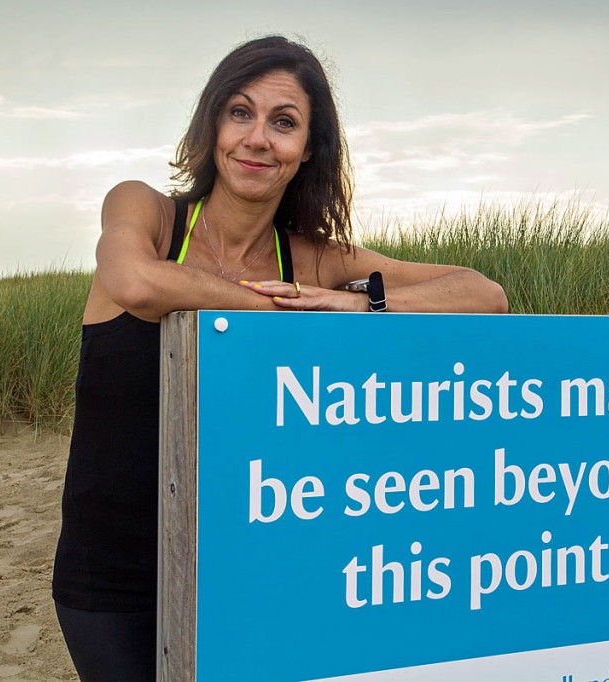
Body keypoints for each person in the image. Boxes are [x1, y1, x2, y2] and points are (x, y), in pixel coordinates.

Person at [51, 35, 507, 681]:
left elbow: (483, 294)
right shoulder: (149, 215)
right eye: (240, 112)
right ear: (212, 125)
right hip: (112, 575)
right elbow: (136, 284)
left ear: (307, 152)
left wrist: (356, 307)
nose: (257, 138)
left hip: (254, 571)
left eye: (283, 122)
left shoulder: (316, 259)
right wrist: (273, 312)